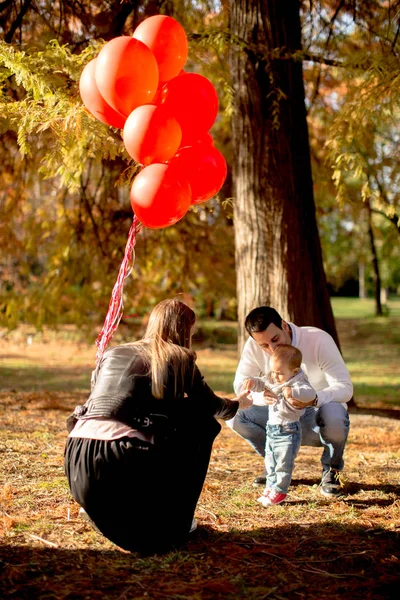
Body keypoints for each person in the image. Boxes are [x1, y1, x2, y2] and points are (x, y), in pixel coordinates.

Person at [65, 299, 251, 554]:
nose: (193, 336)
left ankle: (98, 505)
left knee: (176, 415)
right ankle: (178, 522)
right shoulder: (180, 357)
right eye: (192, 331)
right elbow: (212, 406)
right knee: (202, 422)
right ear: (184, 330)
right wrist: (240, 402)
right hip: (121, 457)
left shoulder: (113, 352)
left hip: (77, 455)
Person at [228, 306, 353, 498]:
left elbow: (345, 387)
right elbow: (240, 385)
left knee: (335, 412)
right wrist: (263, 397)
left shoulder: (318, 339)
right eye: (264, 346)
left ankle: (331, 469)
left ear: (284, 326)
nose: (272, 349)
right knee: (234, 413)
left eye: (275, 339)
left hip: (316, 417)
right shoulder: (253, 346)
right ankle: (276, 468)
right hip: (278, 416)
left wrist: (314, 399)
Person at [242, 344, 317, 506]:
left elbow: (310, 393)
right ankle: (270, 487)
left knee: (283, 462)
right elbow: (263, 382)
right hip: (272, 429)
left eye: (280, 373)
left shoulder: (299, 381)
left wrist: (293, 392)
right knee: (270, 460)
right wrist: (252, 382)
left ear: (295, 371)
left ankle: (280, 491)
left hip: (288, 430)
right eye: (273, 372)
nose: (275, 377)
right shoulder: (275, 376)